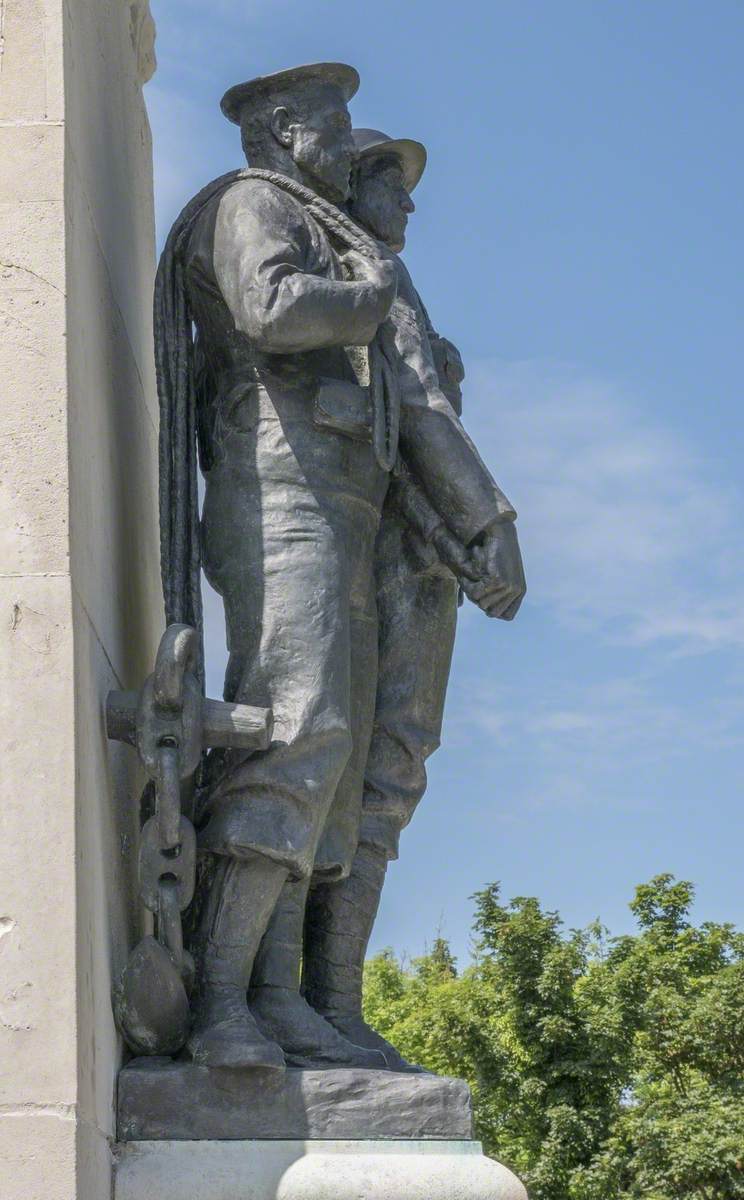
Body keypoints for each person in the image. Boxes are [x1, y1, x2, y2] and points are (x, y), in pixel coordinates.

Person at [157, 63, 525, 1072]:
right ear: (288, 128)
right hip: (280, 485)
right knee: (298, 726)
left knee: (339, 754)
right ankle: (224, 1002)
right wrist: (369, 299)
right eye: (338, 126)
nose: (353, 142)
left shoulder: (323, 225)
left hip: (342, 500)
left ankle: (284, 1001)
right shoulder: (253, 204)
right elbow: (268, 309)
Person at [302, 130, 516, 1070]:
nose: (410, 206)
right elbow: (415, 422)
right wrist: (481, 526)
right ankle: (325, 1005)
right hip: (386, 549)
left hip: (416, 559)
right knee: (370, 769)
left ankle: (333, 1004)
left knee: (389, 770)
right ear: (356, 188)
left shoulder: (377, 280)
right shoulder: (368, 273)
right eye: (394, 185)